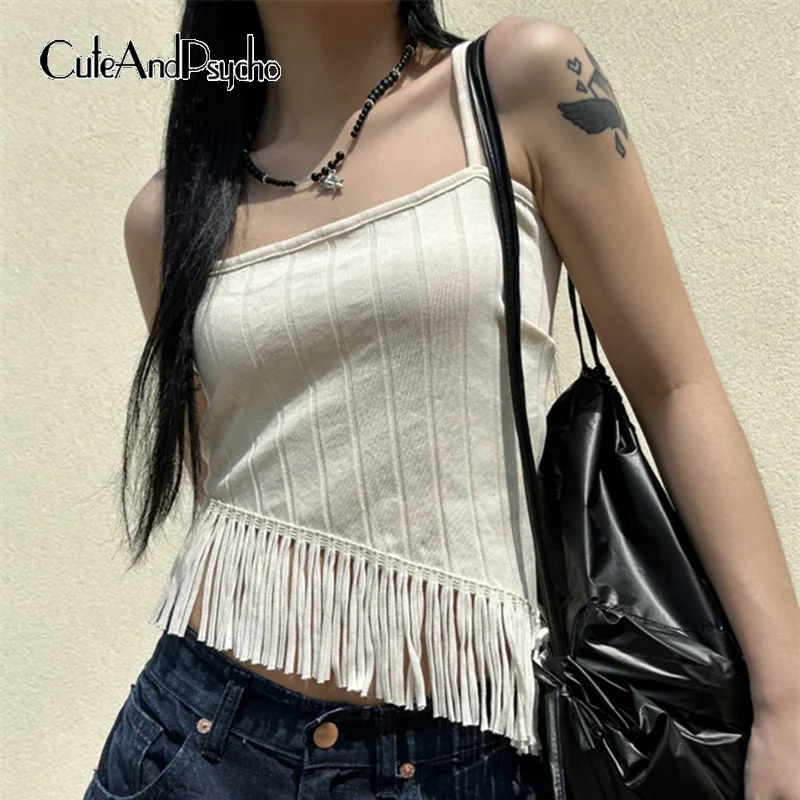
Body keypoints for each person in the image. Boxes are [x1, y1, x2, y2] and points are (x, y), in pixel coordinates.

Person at [83, 2, 800, 799]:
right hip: (199, 740)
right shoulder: (169, 216)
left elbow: (674, 386)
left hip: (469, 755)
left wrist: (786, 703)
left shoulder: (518, 83)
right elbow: (231, 482)